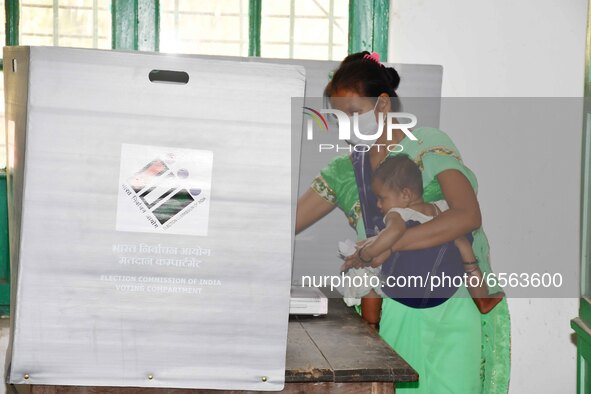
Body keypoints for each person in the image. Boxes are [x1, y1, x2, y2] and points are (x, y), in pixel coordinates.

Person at [295, 51, 511, 393]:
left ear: (382, 104)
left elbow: (467, 214)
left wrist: (387, 243)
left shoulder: (427, 144)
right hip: (390, 309)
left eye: (354, 113)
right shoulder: (343, 172)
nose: (347, 124)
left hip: (451, 306)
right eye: (339, 117)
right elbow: (283, 224)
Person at [344, 154, 505, 315]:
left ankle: (371, 321)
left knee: (360, 272)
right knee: (462, 243)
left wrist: (365, 254)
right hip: (442, 291)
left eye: (381, 198)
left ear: (405, 195)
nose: (378, 204)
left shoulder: (397, 213)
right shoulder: (442, 209)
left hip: (405, 289)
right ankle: (482, 300)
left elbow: (395, 231)